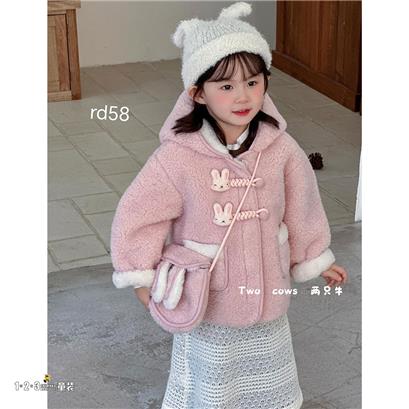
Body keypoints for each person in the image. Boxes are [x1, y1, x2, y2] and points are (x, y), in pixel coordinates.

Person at [110, 2, 348, 408]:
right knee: (213, 381)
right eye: (225, 86)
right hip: (209, 298)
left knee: (265, 374)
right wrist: (141, 276)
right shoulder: (178, 157)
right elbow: (139, 213)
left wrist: (314, 258)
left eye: (253, 82)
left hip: (267, 290)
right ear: (197, 92)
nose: (243, 96)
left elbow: (303, 204)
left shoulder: (281, 148)